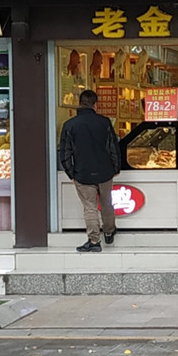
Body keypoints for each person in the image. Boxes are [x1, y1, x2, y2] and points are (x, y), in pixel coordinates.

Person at [60, 89, 120, 253]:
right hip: (105, 171)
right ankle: (109, 232)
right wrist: (116, 167)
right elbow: (113, 147)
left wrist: (70, 172)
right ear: (96, 104)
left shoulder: (69, 125)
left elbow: (65, 152)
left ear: (79, 103)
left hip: (83, 172)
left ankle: (94, 241)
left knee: (90, 207)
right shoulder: (105, 122)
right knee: (107, 203)